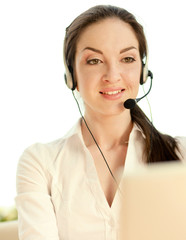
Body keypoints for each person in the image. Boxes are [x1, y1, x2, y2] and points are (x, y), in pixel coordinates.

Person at [15, 4, 186, 240]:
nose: (113, 75)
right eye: (94, 61)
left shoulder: (180, 155)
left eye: (127, 58)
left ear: (143, 71)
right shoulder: (40, 164)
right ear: (71, 74)